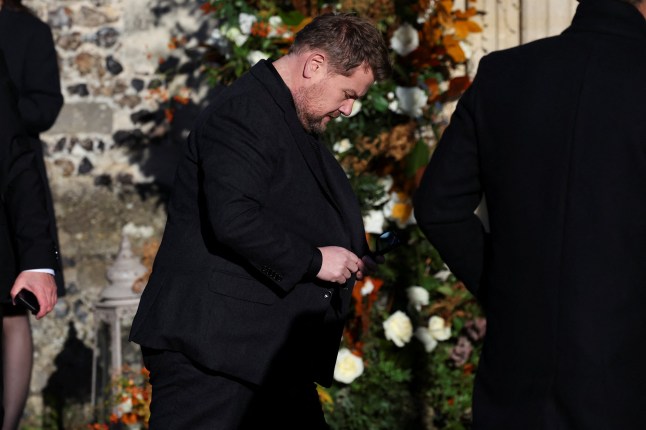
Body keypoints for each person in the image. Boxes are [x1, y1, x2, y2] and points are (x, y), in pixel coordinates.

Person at [129, 12, 391, 429]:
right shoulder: (245, 113)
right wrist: (315, 261)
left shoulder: (286, 113)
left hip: (262, 354)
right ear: (315, 65)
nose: (348, 109)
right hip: (213, 356)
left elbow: (286, 206)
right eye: (347, 93)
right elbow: (234, 217)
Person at [413, 0, 646, 428]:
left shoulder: (505, 72)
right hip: (627, 379)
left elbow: (438, 208)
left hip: (517, 372)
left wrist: (509, 292)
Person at [0, 1, 64, 428]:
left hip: (10, 172)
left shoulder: (29, 31)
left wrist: (6, 116)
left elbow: (45, 106)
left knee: (12, 307)